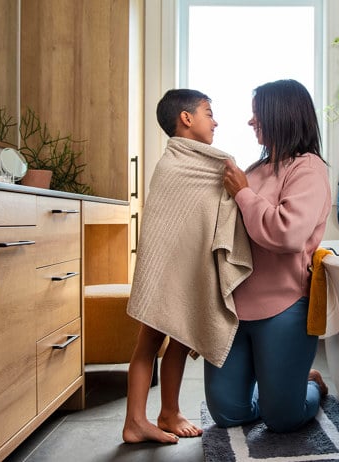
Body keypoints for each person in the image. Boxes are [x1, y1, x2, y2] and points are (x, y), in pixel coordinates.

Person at [123, 88, 250, 444]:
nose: (215, 122)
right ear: (187, 118)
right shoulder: (173, 165)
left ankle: (169, 412)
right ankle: (134, 421)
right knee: (150, 340)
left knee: (181, 335)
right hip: (163, 267)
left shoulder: (210, 164)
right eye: (209, 113)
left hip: (188, 265)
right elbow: (163, 226)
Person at [205, 79, 332, 432]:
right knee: (227, 414)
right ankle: (282, 385)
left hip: (284, 307)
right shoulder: (252, 171)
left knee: (282, 420)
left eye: (257, 113)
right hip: (233, 310)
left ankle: (309, 386)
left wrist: (243, 195)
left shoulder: (308, 169)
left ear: (281, 115)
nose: (251, 121)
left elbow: (286, 234)